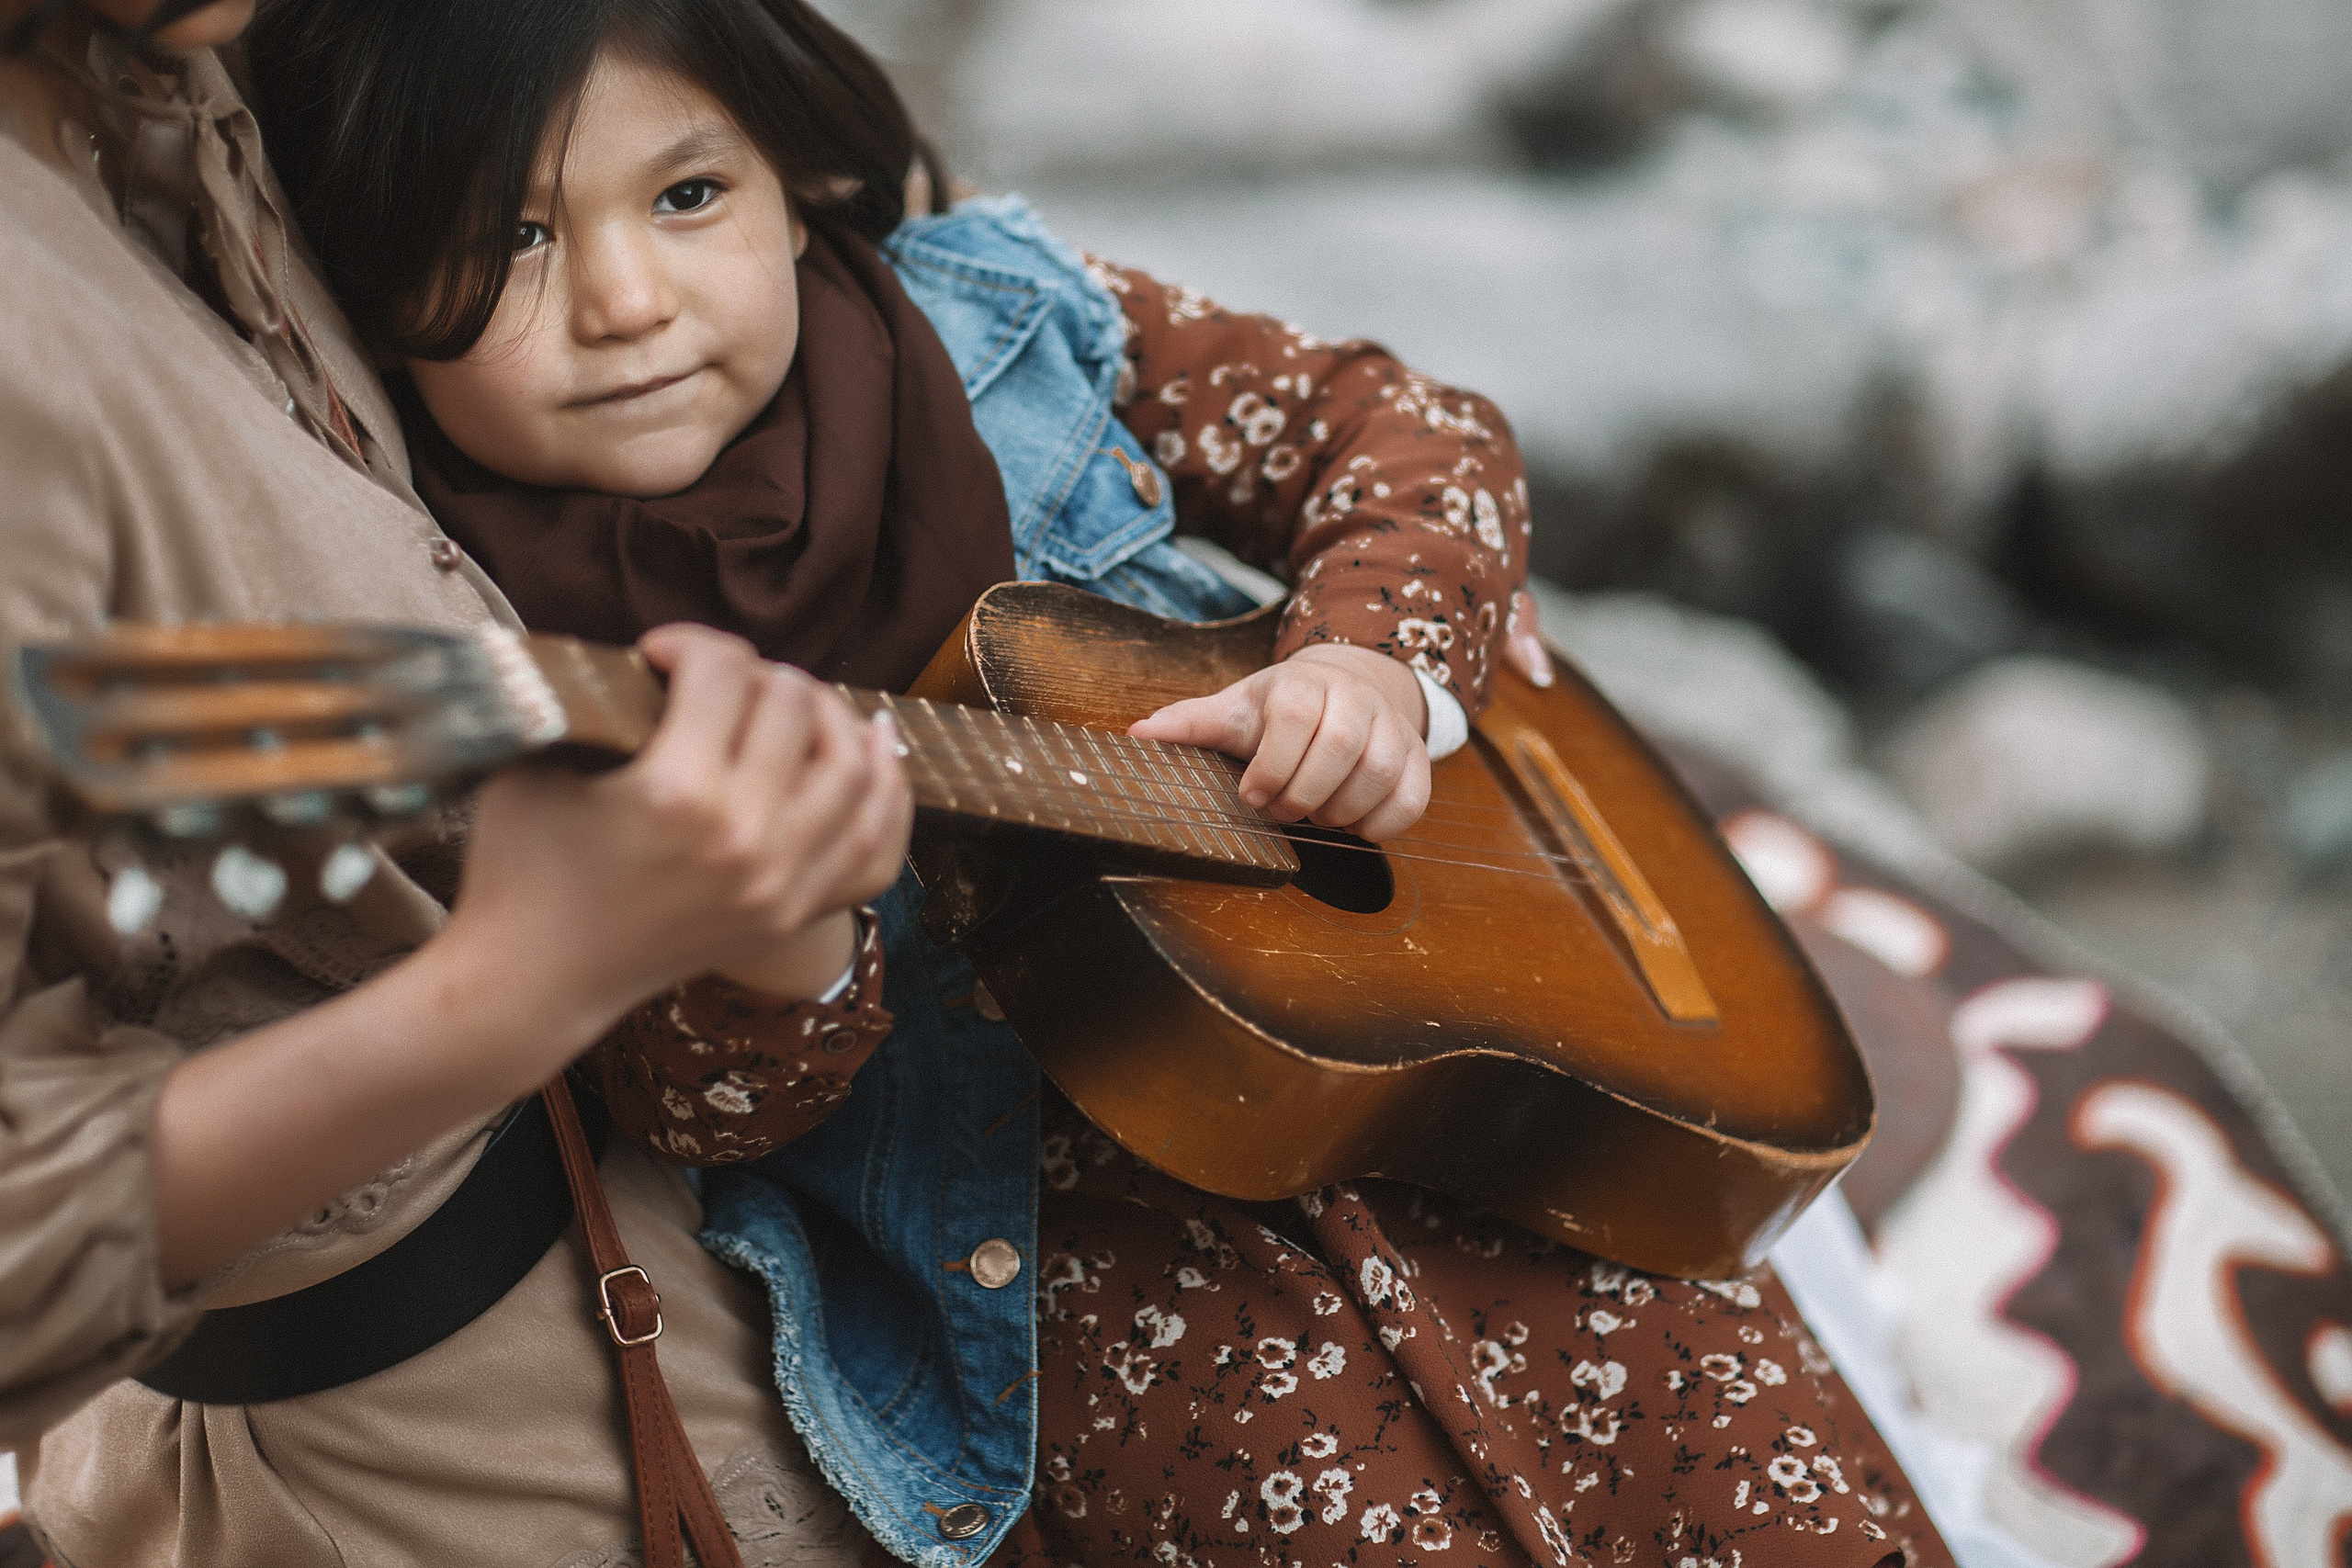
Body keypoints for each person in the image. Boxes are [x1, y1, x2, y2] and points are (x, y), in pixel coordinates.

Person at [0, 1, 1953, 1565]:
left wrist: (1379, 650)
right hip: (1128, 1325)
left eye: (685, 195)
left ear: (786, 166)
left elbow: (1399, 423)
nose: (620, 301)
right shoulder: (477, 600)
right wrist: (769, 942)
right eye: (506, 242)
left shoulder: (991, 318)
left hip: (1505, 1142)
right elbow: (717, 1103)